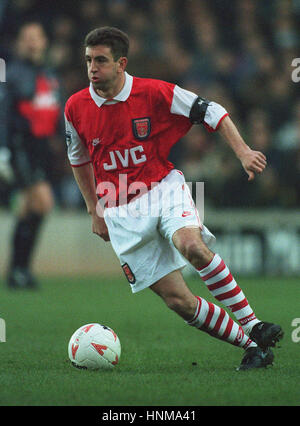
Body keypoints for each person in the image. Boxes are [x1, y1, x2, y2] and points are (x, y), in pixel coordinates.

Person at [64, 27, 283, 370]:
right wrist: (94, 209)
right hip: (120, 213)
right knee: (178, 300)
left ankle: (252, 322)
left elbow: (213, 111)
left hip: (162, 189)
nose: (92, 68)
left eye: (101, 61)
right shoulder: (75, 107)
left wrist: (242, 151)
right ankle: (251, 345)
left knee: (192, 247)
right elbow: (78, 159)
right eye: (88, 60)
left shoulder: (154, 92)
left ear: (121, 63)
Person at [0, 22, 62, 289]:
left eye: (36, 37)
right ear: (20, 43)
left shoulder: (48, 74)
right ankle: (19, 269)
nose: (31, 42)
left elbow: (54, 111)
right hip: (20, 147)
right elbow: (3, 116)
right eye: (26, 37)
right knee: (43, 202)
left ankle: (18, 271)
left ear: (44, 41)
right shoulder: (12, 74)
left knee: (28, 209)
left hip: (42, 148)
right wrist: (3, 151)